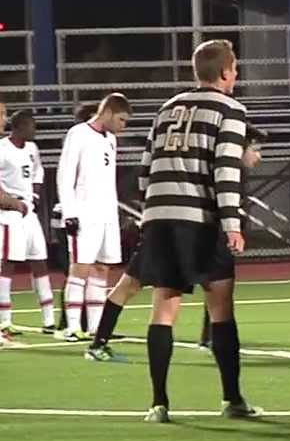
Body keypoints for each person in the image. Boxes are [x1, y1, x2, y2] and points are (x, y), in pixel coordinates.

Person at [132, 39, 255, 423]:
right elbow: (225, 170)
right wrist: (232, 224)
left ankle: (158, 403)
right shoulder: (231, 109)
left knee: (163, 309)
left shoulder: (167, 108)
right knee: (220, 307)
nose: (236, 74)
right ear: (225, 72)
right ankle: (232, 399)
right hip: (200, 218)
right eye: (235, 68)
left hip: (160, 215)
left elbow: (144, 170)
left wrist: (151, 213)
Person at [84, 123, 267, 362]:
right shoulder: (222, 168)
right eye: (255, 149)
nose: (258, 156)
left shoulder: (190, 158)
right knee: (200, 284)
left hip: (165, 225)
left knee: (134, 285)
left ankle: (100, 343)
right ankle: (100, 344)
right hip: (187, 230)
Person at [55, 93, 131, 341]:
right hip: (84, 212)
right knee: (80, 267)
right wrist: (70, 212)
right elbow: (65, 174)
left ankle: (96, 328)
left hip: (106, 214)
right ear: (107, 112)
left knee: (101, 268)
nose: (123, 126)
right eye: (121, 119)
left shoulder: (110, 139)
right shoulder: (78, 134)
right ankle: (72, 327)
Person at [0, 110, 58, 336]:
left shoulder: (32, 149)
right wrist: (11, 201)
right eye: (31, 125)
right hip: (9, 212)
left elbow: (37, 173)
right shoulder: (2, 148)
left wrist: (33, 196)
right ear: (19, 126)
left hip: (29, 210)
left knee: (40, 260)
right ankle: (5, 320)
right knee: (8, 263)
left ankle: (49, 319)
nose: (35, 130)